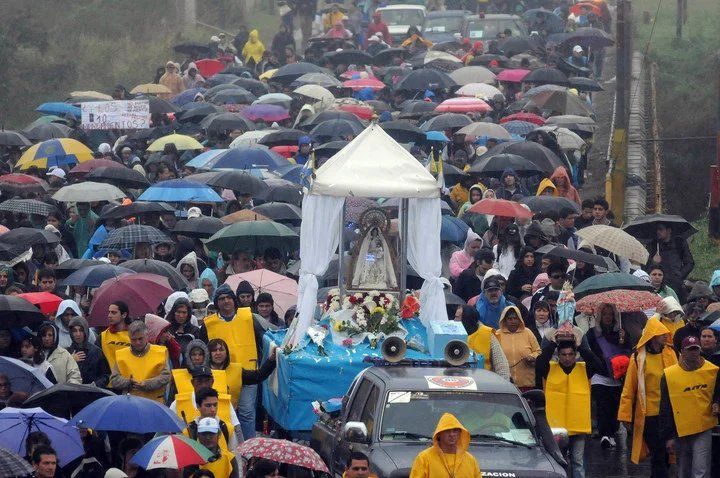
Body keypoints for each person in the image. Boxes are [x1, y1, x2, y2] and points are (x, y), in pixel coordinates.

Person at [199, 284, 264, 440]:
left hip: (247, 371)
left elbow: (262, 340)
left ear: (234, 300)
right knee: (226, 413)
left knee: (247, 412)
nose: (226, 301)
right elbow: (201, 349)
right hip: (221, 374)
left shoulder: (249, 317)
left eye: (229, 297)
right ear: (216, 302)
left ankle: (249, 448)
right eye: (221, 298)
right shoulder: (208, 323)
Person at [536, 334, 604, 478]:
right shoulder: (550, 369)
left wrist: (581, 346)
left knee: (577, 463)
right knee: (557, 462)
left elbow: (599, 365)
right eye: (563, 354)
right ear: (558, 355)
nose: (567, 358)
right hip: (556, 427)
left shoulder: (584, 369)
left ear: (575, 355)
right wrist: (552, 344)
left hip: (578, 426)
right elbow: (539, 363)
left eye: (571, 354)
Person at [618, 318, 677, 477]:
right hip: (649, 415)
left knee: (666, 456)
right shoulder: (638, 357)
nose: (666, 336)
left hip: (668, 414)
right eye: (661, 333)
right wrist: (625, 416)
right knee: (658, 453)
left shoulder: (671, 353)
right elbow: (629, 388)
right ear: (652, 335)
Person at [660, 336, 720, 478]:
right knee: (684, 470)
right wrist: (668, 436)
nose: (693, 353)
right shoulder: (669, 375)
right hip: (681, 430)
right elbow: (665, 407)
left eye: (696, 349)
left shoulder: (713, 370)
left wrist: (717, 402)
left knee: (701, 468)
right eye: (690, 350)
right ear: (682, 351)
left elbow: (718, 391)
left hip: (703, 427)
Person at [584, 302, 631, 449]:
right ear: (600, 316)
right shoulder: (592, 333)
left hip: (616, 377)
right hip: (600, 375)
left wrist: (625, 340)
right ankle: (605, 434)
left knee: (614, 407)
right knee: (602, 406)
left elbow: (627, 352)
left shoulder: (621, 332)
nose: (608, 317)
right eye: (605, 314)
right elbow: (588, 352)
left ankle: (611, 432)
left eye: (611, 314)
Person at [110, 320, 170, 402]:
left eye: (140, 339)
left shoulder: (160, 352)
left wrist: (147, 384)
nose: (137, 342)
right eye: (134, 339)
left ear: (147, 335)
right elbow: (114, 379)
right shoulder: (121, 355)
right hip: (130, 402)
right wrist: (128, 383)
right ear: (129, 338)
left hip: (155, 403)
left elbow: (166, 377)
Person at [409, 413, 482, 478]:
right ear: (439, 434)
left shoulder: (470, 460)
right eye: (447, 431)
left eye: (455, 431)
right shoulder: (424, 458)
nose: (452, 434)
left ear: (460, 433)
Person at [647, 223, 695, 303]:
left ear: (669, 230)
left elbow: (689, 262)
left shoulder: (679, 243)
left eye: (661, 229)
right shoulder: (653, 245)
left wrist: (679, 275)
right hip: (659, 285)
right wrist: (653, 262)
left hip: (676, 284)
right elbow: (646, 267)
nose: (658, 232)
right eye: (657, 230)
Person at [495, 305, 540, 391]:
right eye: (510, 319)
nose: (513, 321)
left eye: (515, 318)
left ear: (519, 319)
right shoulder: (497, 334)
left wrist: (532, 357)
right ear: (504, 320)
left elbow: (538, 351)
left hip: (526, 384)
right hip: (505, 383)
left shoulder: (528, 333)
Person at [460, 305, 510, 380]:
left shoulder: (487, 334)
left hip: (484, 384)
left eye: (457, 317)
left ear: (466, 319)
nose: (454, 320)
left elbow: (501, 364)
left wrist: (503, 384)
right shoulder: (452, 335)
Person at [67, 316, 110, 387]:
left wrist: (95, 384)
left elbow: (106, 375)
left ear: (85, 331)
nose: (78, 334)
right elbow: (61, 376)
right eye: (74, 331)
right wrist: (71, 360)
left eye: (81, 330)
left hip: (93, 393)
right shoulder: (67, 353)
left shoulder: (96, 351)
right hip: (74, 393)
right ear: (71, 333)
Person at [100, 301, 131, 372]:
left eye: (113, 313)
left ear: (124, 315)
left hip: (130, 379)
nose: (109, 315)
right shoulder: (103, 336)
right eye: (109, 312)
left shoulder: (134, 336)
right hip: (108, 380)